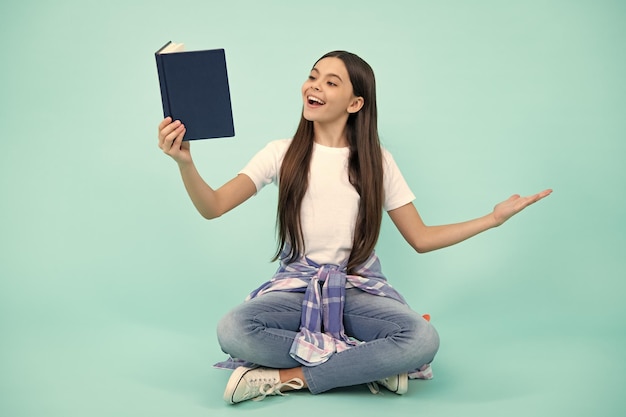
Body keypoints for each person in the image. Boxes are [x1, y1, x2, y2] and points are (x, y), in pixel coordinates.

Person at [157, 50, 552, 404]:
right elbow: (214, 206)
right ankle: (370, 366)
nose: (315, 86)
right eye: (313, 76)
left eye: (331, 82)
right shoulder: (280, 153)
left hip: (358, 290)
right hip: (298, 290)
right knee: (233, 331)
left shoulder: (378, 161)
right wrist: (185, 163)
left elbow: (421, 237)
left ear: (355, 102)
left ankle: (287, 378)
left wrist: (492, 219)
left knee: (422, 339)